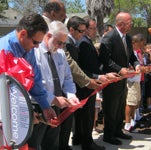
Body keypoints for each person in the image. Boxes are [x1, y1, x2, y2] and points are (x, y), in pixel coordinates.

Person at [0, 14, 60, 143]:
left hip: (9, 106)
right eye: (35, 42)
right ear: (23, 34)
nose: (37, 47)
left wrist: (45, 106)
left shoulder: (28, 49)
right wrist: (23, 113)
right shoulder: (0, 52)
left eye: (39, 43)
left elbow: (34, 80)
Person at [28, 21, 80, 150]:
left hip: (57, 106)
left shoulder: (60, 54)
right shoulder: (34, 53)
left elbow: (67, 77)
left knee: (52, 143)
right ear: (49, 36)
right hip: (38, 106)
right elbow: (33, 83)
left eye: (64, 43)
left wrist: (71, 95)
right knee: (35, 144)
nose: (61, 46)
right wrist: (53, 99)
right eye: (59, 42)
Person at [73, 16, 118, 150]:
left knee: (83, 116)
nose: (94, 31)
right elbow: (83, 68)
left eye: (94, 28)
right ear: (85, 29)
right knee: (86, 116)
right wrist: (99, 76)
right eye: (91, 28)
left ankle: (79, 139)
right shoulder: (84, 43)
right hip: (87, 84)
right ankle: (87, 143)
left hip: (88, 82)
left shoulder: (86, 42)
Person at [99, 12, 140, 145]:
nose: (131, 25)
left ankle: (117, 130)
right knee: (111, 107)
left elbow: (131, 56)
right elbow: (105, 59)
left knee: (120, 106)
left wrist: (137, 64)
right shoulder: (109, 37)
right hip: (112, 80)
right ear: (120, 24)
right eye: (129, 22)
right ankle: (108, 135)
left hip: (123, 80)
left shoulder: (127, 38)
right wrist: (119, 69)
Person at [42, 0, 101, 90]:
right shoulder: (45, 28)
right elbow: (68, 61)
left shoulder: (44, 26)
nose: (65, 17)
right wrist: (87, 81)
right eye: (62, 14)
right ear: (53, 14)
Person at [59, 15, 87, 150]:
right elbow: (71, 67)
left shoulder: (73, 43)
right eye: (81, 31)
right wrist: (89, 81)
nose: (83, 34)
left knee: (68, 122)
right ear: (71, 29)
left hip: (71, 89)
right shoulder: (68, 43)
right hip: (66, 90)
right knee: (64, 124)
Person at [124, 34, 143, 131]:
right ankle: (127, 123)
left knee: (135, 102)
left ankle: (133, 119)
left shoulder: (136, 52)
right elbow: (129, 67)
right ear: (134, 43)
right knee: (130, 103)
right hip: (131, 81)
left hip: (136, 80)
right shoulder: (130, 53)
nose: (141, 46)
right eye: (139, 44)